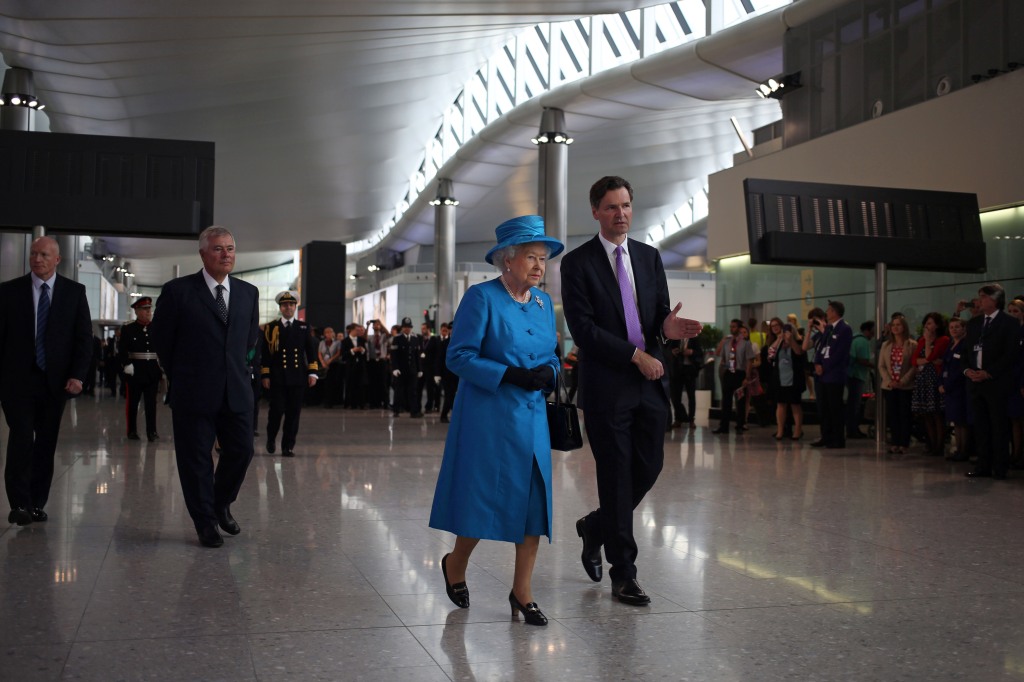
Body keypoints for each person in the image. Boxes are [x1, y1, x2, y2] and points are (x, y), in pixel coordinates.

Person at [561, 176, 702, 606]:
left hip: (651, 381)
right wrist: (634, 356)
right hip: (609, 385)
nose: (620, 213)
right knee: (616, 476)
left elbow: (658, 312)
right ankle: (624, 572)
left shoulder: (648, 256)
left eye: (625, 205)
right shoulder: (578, 263)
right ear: (595, 212)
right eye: (610, 207)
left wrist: (667, 328)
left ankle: (597, 527)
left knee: (649, 467)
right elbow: (583, 329)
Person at [429, 215, 563, 626]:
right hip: (489, 417)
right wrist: (508, 374)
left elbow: (554, 354)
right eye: (531, 257)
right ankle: (456, 563)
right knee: (483, 498)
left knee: (533, 505)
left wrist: (552, 374)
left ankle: (522, 592)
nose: (540, 266)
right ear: (507, 260)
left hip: (532, 418)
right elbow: (459, 357)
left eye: (543, 258)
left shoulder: (543, 305)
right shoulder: (481, 298)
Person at [151, 225, 261, 547]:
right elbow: (162, 340)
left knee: (241, 451)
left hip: (236, 390)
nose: (226, 254)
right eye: (218, 249)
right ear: (202, 254)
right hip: (193, 391)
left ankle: (218, 502)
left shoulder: (248, 292)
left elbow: (250, 340)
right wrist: (182, 374)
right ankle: (205, 522)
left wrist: (243, 371)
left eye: (230, 248)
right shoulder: (178, 291)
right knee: (196, 459)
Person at [0, 236, 92, 526]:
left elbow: (83, 339)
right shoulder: (9, 292)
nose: (37, 259)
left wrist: (78, 375)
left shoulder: (74, 293)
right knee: (21, 437)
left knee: (46, 443)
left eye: (43, 255)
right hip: (17, 382)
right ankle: (19, 504)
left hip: (55, 383)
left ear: (57, 260)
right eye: (33, 254)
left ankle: (37, 502)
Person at [963, 284, 1018, 479]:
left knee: (998, 425)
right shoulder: (974, 324)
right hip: (975, 382)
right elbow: (966, 351)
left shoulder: (1009, 323)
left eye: (983, 297)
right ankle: (983, 465)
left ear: (994, 299)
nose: (979, 301)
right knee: (980, 425)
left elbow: (1010, 354)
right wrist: (968, 370)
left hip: (997, 382)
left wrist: (989, 372)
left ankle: (1000, 467)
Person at [261, 291, 319, 457]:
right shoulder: (271, 328)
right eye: (285, 305)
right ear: (280, 308)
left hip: (297, 377)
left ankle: (288, 446)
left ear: (295, 307)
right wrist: (265, 374)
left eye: (291, 305)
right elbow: (266, 354)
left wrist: (313, 372)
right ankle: (271, 438)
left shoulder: (303, 327)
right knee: (276, 411)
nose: (288, 307)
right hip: (278, 377)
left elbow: (310, 351)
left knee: (293, 414)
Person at [118, 297, 163, 441]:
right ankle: (132, 431)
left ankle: (152, 432)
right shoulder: (128, 328)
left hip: (152, 372)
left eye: (149, 309)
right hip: (135, 372)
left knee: (151, 404)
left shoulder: (156, 327)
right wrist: (126, 364)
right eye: (145, 309)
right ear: (137, 311)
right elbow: (122, 349)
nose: (148, 312)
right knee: (132, 403)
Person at [811, 300, 852, 449]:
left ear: (835, 312)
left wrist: (825, 366)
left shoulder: (845, 329)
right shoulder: (828, 329)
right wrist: (817, 363)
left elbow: (840, 353)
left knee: (835, 407)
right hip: (822, 375)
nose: (826, 313)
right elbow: (821, 345)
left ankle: (838, 439)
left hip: (834, 375)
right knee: (824, 408)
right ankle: (826, 436)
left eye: (828, 310)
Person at [911, 312, 950, 456]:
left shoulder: (943, 340)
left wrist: (928, 344)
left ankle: (939, 445)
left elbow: (930, 356)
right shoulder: (921, 340)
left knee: (937, 414)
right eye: (926, 323)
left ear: (938, 325)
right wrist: (928, 358)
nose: (927, 326)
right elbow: (915, 360)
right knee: (926, 413)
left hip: (935, 379)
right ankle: (931, 443)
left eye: (930, 323)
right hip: (923, 378)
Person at [878, 315, 917, 455]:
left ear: (904, 327)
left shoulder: (912, 344)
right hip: (889, 386)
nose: (895, 327)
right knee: (893, 415)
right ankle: (894, 442)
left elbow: (914, 366)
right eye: (893, 324)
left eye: (898, 324)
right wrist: (889, 381)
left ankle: (904, 443)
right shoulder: (886, 345)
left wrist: (903, 381)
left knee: (905, 415)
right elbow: (881, 366)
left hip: (905, 386)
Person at [762, 319, 807, 440]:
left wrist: (790, 340)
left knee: (795, 405)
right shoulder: (776, 342)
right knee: (780, 404)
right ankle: (780, 430)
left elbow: (798, 352)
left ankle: (797, 430)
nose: (775, 328)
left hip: (794, 378)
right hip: (780, 378)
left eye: (777, 325)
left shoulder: (798, 341)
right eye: (773, 326)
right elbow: (770, 355)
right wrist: (779, 339)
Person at [713, 319, 755, 435]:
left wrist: (747, 377)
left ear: (739, 328)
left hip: (740, 373)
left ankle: (740, 425)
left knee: (740, 401)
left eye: (734, 327)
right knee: (726, 400)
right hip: (729, 372)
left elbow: (749, 361)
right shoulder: (727, 342)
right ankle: (723, 426)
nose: (732, 329)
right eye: (731, 327)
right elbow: (718, 354)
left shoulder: (746, 343)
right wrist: (722, 341)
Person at [939, 316, 971, 462]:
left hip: (959, 388)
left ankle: (964, 450)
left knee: (962, 421)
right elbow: (944, 365)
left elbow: (961, 369)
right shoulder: (951, 345)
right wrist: (941, 383)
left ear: (964, 329)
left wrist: (948, 385)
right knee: (955, 421)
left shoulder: (965, 345)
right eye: (951, 327)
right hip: (948, 388)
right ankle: (958, 448)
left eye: (957, 327)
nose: (954, 330)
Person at [845, 321, 875, 439]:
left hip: (850, 374)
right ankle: (852, 430)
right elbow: (862, 360)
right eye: (873, 330)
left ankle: (851, 429)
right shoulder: (862, 341)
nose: (874, 333)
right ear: (867, 330)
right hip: (856, 375)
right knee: (854, 404)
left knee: (852, 403)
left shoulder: (854, 338)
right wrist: (875, 366)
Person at [391, 317, 422, 417]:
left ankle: (414, 411)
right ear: (402, 328)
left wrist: (419, 369)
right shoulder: (397, 339)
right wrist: (394, 368)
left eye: (409, 327)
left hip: (412, 370)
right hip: (401, 370)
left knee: (413, 391)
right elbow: (393, 355)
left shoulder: (415, 339)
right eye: (405, 327)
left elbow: (417, 355)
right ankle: (396, 410)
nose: (407, 329)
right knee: (399, 391)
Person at [1007, 298, 1024, 468]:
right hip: (1010, 381)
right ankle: (1016, 453)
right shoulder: (1010, 331)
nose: (1012, 314)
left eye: (1016, 311)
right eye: (1010, 311)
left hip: (1020, 380)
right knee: (1014, 420)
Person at [435, 322, 459, 423]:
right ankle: (449, 415)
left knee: (453, 396)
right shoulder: (444, 343)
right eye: (451, 329)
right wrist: (437, 374)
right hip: (446, 374)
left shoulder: (461, 343)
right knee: (449, 395)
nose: (452, 330)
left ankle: (446, 415)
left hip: (457, 374)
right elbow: (439, 359)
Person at [341, 323, 367, 409]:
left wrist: (363, 350)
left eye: (360, 330)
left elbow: (366, 353)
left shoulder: (362, 340)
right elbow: (343, 356)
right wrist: (352, 350)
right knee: (350, 385)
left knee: (361, 384)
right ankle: (351, 404)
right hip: (350, 366)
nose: (359, 331)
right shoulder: (345, 341)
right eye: (357, 330)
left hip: (360, 366)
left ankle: (361, 404)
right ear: (351, 330)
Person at [419, 322, 441, 412]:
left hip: (430, 367)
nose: (422, 330)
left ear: (428, 329)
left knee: (430, 388)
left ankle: (429, 406)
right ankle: (417, 406)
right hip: (421, 367)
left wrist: (436, 370)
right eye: (422, 328)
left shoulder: (434, 339)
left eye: (424, 328)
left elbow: (437, 355)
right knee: (418, 387)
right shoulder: (420, 339)